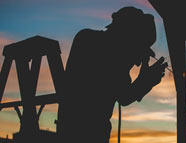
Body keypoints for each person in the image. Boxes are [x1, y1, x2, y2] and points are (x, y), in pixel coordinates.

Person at [57, 6, 168, 143]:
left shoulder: (86, 38)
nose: (137, 62)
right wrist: (146, 81)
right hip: (89, 134)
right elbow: (124, 96)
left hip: (72, 130)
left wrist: (143, 78)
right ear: (126, 37)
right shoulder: (105, 50)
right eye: (136, 48)